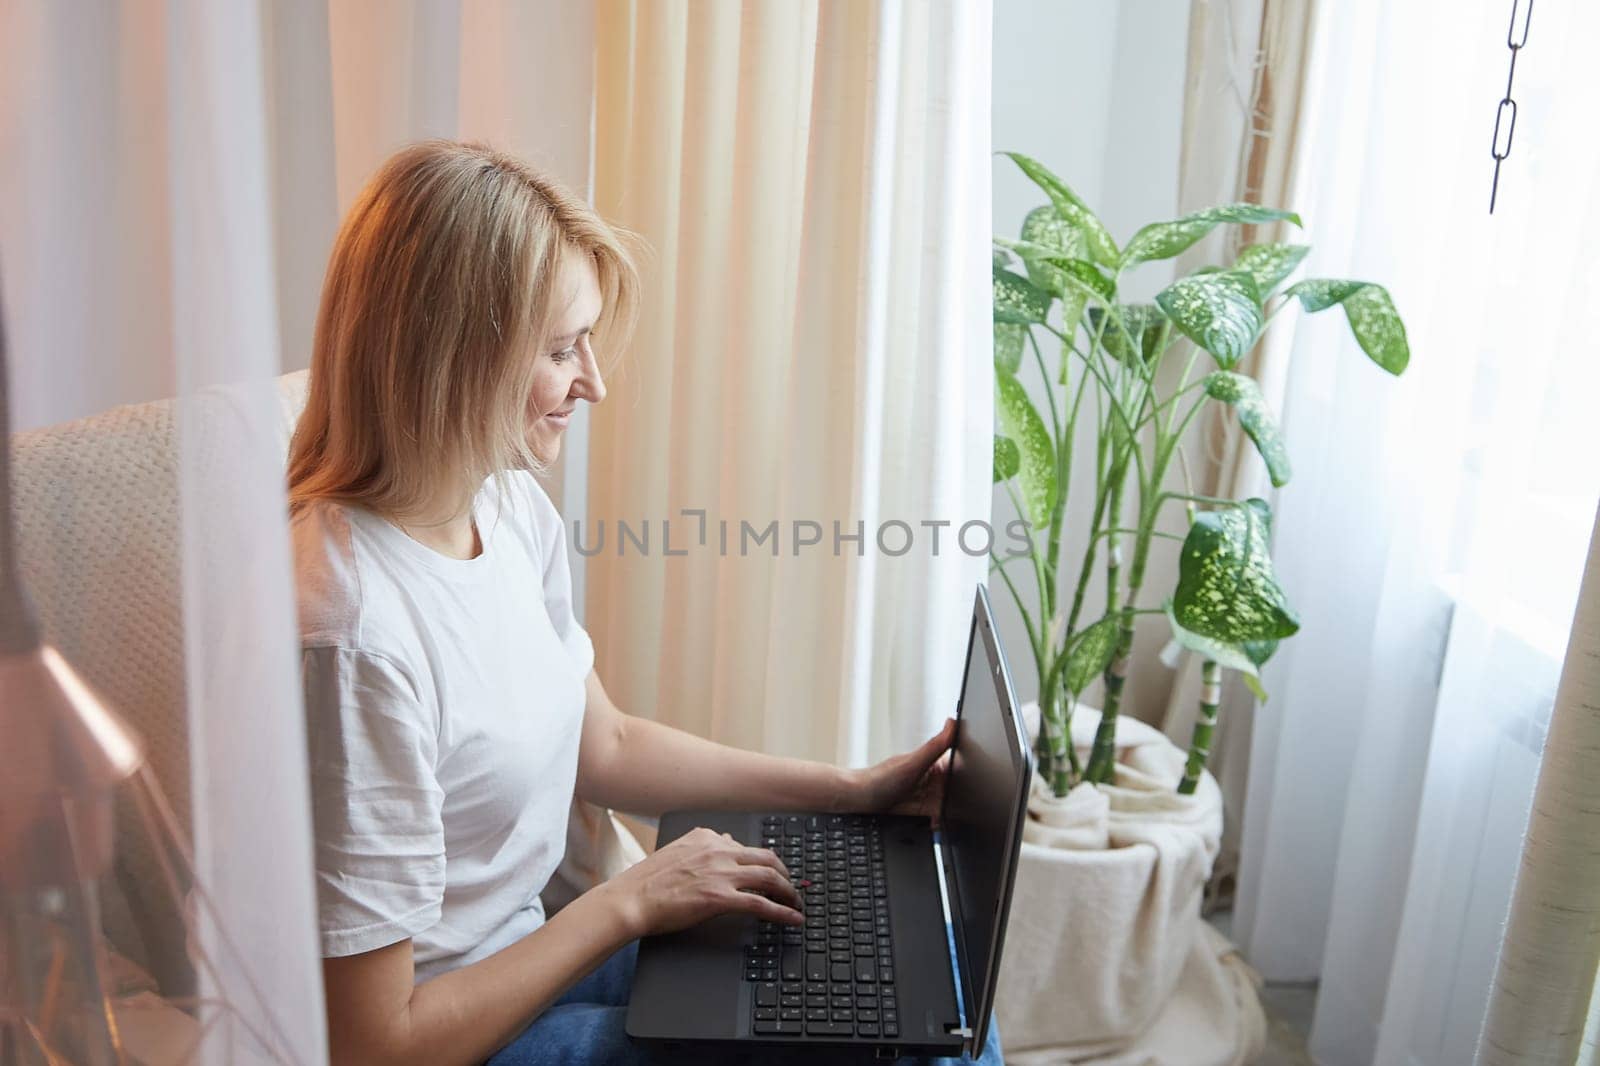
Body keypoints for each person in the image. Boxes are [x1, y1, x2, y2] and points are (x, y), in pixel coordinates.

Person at [288, 140, 1002, 1066]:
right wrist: (632, 899)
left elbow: (608, 745)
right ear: (452, 359)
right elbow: (374, 1045)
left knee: (931, 980)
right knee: (914, 1048)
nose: (594, 379)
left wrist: (854, 791)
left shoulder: (498, 506)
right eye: (557, 349)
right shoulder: (352, 638)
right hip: (451, 1030)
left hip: (527, 958)